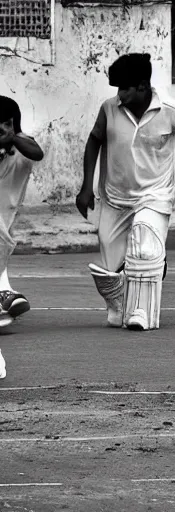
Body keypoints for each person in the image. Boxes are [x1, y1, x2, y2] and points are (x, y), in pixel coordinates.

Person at [76, 53, 175, 331]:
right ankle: (121, 305)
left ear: (143, 86)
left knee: (143, 249)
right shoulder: (109, 108)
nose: (119, 95)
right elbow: (94, 141)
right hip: (115, 198)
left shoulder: (171, 109)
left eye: (124, 88)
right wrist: (86, 186)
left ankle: (142, 312)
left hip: (154, 196)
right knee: (110, 273)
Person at [0, 96, 45, 378]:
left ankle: (4, 296)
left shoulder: (22, 150)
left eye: (7, 123)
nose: (1, 128)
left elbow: (37, 152)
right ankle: (5, 297)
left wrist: (12, 136)